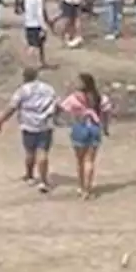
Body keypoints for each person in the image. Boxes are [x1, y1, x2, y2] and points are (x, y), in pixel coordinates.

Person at [0, 68, 57, 193]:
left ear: (24, 77)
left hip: (28, 125)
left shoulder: (23, 90)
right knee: (42, 152)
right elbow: (55, 104)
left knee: (30, 152)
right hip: (45, 125)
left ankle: (30, 176)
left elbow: (11, 108)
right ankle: (43, 181)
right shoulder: (48, 88)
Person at [59, 72, 112, 200]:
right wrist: (105, 128)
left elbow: (62, 109)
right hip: (94, 128)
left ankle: (81, 186)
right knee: (90, 160)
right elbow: (106, 114)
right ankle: (88, 189)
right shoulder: (100, 98)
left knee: (80, 160)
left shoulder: (74, 98)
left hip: (80, 127)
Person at [22, 0, 51, 68]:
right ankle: (30, 63)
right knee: (35, 45)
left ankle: (40, 62)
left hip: (28, 23)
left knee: (35, 44)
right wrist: (44, 26)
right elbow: (39, 13)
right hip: (36, 25)